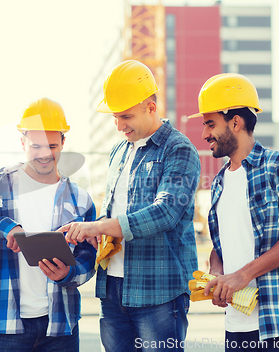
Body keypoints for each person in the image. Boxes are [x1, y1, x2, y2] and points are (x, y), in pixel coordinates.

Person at [189, 73, 279, 351]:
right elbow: (223, 243)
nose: (204, 134)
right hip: (237, 325)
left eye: (210, 124)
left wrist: (242, 275)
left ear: (236, 122)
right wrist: (216, 272)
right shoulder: (219, 181)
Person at [60, 60, 201, 352]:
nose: (119, 125)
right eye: (114, 117)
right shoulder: (119, 151)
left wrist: (99, 225)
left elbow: (166, 213)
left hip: (158, 292)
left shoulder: (179, 149)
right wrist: (92, 228)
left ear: (151, 107)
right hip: (113, 289)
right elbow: (111, 210)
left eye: (126, 116)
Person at [0, 97, 96, 352]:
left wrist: (70, 274)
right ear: (22, 142)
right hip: (5, 327)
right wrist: (3, 226)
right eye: (36, 145)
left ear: (63, 142)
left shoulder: (80, 199)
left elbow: (90, 255)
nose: (44, 154)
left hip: (60, 327)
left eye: (52, 145)